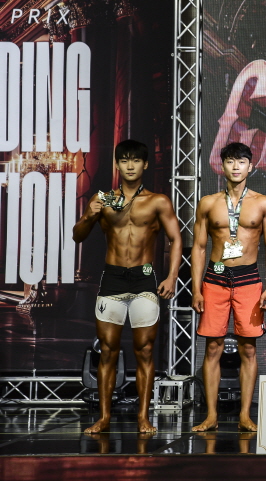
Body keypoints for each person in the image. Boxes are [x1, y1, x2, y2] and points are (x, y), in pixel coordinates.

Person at [72, 140, 182, 435]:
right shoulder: (103, 199)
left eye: (135, 160)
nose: (130, 165)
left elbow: (176, 238)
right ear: (117, 164)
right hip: (113, 278)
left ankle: (143, 417)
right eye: (124, 160)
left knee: (144, 350)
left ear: (145, 164)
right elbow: (78, 236)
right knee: (107, 350)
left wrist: (172, 276)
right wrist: (89, 214)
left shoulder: (158, 201)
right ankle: (104, 417)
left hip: (144, 279)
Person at [191, 142, 266, 432]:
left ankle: (244, 415)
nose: (236, 167)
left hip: (248, 281)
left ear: (250, 166)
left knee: (249, 349)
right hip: (215, 279)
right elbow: (199, 247)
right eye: (230, 161)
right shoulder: (208, 203)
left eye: (241, 162)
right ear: (222, 166)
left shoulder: (263, 203)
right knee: (213, 347)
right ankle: (211, 415)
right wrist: (196, 288)